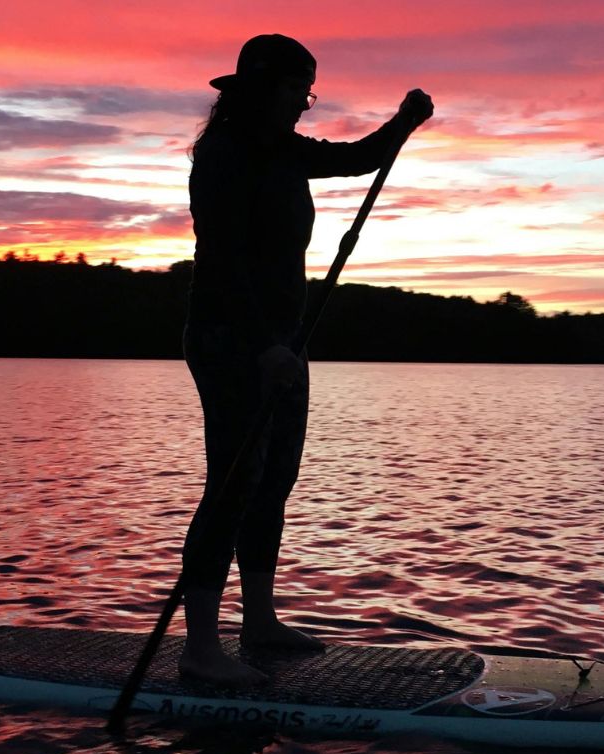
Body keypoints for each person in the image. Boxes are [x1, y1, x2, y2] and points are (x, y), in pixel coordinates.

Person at [181, 33, 434, 686]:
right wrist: (262, 346)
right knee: (233, 482)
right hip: (231, 338)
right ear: (263, 89)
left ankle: (259, 622)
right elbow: (223, 262)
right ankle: (201, 649)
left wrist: (403, 124)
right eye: (297, 89)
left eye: (308, 92)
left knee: (274, 480)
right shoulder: (226, 155)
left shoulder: (284, 150)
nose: (303, 102)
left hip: (285, 342)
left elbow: (356, 160)